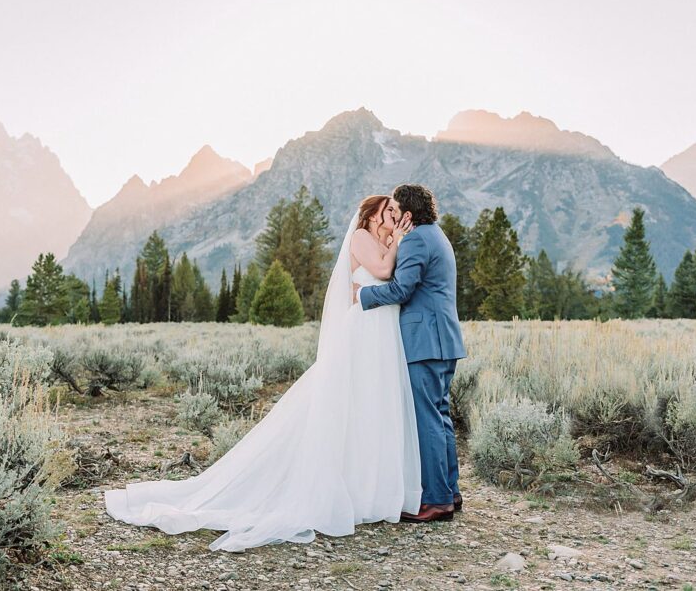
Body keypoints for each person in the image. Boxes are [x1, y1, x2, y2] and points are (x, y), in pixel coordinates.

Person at [104, 195, 422, 552]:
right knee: (345, 401)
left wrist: (394, 243)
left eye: (396, 212)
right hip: (363, 330)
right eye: (389, 211)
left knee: (370, 407)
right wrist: (399, 241)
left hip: (381, 330)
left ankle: (368, 489)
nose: (395, 217)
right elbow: (381, 272)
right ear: (373, 215)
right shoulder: (363, 237)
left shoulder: (384, 241)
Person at [356, 183, 467, 522]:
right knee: (441, 415)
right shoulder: (437, 235)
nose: (392, 215)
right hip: (443, 339)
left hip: (425, 341)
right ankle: (450, 492)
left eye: (395, 210)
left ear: (407, 213)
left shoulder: (418, 239)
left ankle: (435, 500)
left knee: (428, 419)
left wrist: (362, 296)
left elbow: (403, 288)